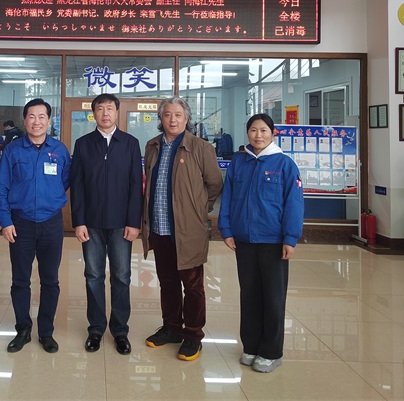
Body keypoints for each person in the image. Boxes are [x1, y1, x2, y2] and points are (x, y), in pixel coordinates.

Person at [218, 113, 304, 374]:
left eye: (264, 130)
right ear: (248, 133)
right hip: (244, 240)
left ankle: (271, 352)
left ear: (273, 133)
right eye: (253, 130)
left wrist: (290, 238)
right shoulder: (239, 162)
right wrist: (226, 229)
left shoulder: (285, 164)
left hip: (273, 241)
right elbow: (228, 197)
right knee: (249, 295)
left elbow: (294, 203)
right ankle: (251, 346)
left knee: (273, 298)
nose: (258, 135)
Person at [141, 96, 223, 361]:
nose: (172, 119)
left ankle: (193, 335)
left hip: (188, 230)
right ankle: (172, 327)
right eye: (167, 114)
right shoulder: (152, 146)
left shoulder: (200, 147)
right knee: (167, 282)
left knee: (193, 285)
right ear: (160, 119)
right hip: (159, 227)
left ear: (187, 118)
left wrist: (198, 210)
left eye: (178, 115)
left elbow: (215, 185)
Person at [70, 93, 142, 355]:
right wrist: (78, 221)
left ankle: (120, 331)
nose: (105, 114)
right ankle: (96, 329)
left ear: (117, 112)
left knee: (121, 276)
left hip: (121, 224)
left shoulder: (130, 143)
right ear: (94, 114)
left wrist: (134, 222)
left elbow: (136, 184)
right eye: (100, 109)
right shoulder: (83, 144)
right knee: (93, 276)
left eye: (109, 109)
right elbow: (77, 185)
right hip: (91, 223)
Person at [0, 98, 70, 354]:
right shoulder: (13, 150)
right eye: (31, 116)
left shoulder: (60, 150)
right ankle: (23, 330)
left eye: (41, 117)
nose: (36, 122)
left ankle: (46, 332)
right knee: (20, 280)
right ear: (25, 120)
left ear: (49, 121)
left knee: (50, 280)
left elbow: (64, 181)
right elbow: (1, 187)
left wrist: (50, 199)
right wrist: (5, 221)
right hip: (20, 223)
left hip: (51, 222)